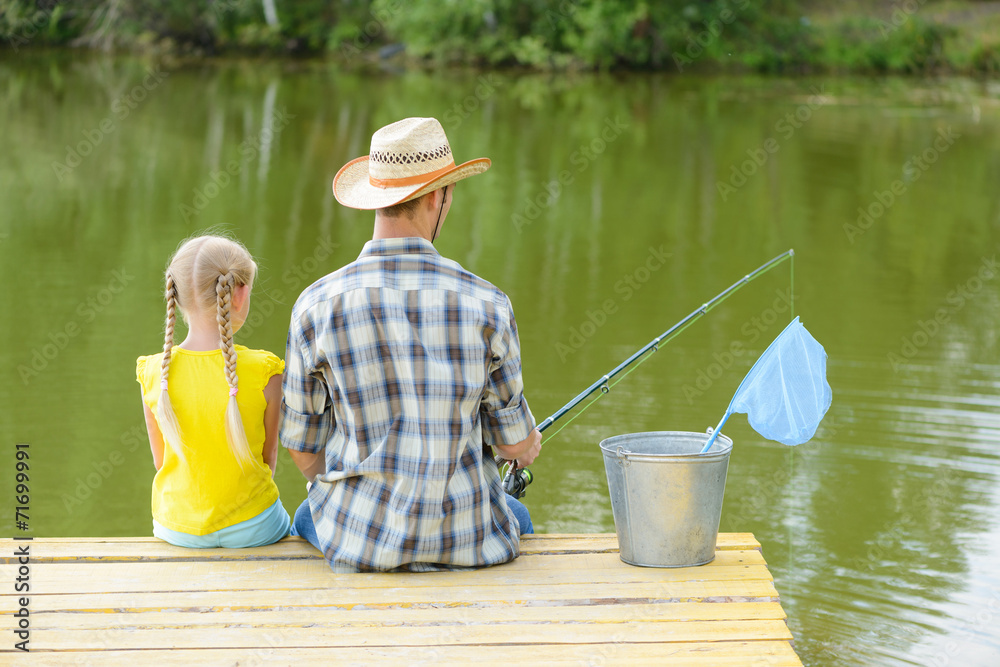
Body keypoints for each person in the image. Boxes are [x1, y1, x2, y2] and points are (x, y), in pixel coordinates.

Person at [281, 117, 542, 572]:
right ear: (439, 196)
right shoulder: (488, 303)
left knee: (308, 512)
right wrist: (527, 444)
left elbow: (302, 451)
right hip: (468, 540)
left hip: (360, 543)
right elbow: (514, 445)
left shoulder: (316, 305)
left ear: (377, 200)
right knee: (518, 516)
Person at [136, 235, 290, 548]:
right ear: (240, 294)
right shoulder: (265, 371)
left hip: (176, 528)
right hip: (255, 526)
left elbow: (160, 460)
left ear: (175, 296)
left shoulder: (154, 372)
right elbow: (268, 459)